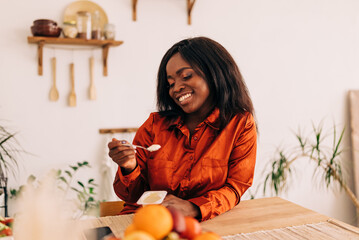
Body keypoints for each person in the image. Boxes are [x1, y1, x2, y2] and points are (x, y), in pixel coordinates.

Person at [108, 36, 257, 221]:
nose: (176, 88)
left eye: (186, 76)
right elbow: (132, 196)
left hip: (205, 222)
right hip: (148, 220)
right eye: (170, 83)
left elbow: (235, 188)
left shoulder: (240, 124)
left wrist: (194, 208)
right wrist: (129, 166)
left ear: (215, 72)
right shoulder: (154, 125)